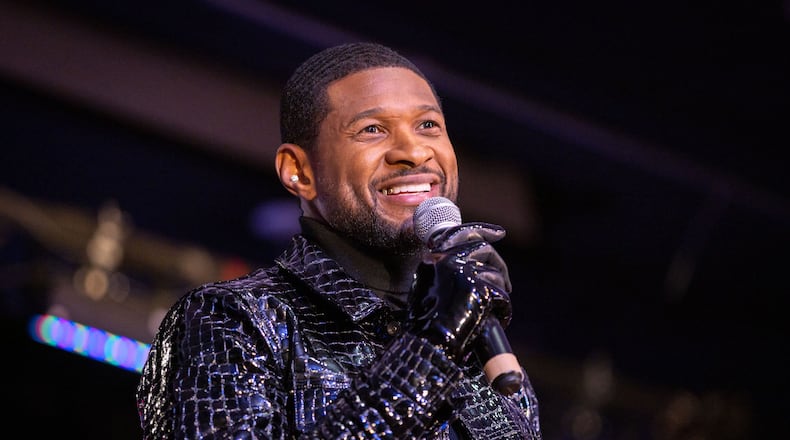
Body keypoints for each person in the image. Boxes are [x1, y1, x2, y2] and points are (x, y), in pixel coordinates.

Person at [136, 41, 542, 439]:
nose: (414, 152)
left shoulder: (483, 356)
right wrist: (433, 347)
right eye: (372, 129)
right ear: (299, 170)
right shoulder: (230, 319)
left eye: (427, 125)